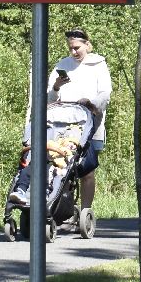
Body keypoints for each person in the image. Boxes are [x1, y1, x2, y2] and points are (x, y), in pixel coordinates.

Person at [27, 28, 112, 211]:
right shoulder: (62, 65)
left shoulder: (98, 64)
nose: (74, 52)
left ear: (87, 45)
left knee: (87, 171)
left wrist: (91, 104)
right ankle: (63, 208)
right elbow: (50, 99)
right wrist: (56, 87)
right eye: (71, 48)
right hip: (63, 125)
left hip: (90, 124)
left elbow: (105, 93)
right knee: (63, 167)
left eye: (77, 48)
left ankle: (85, 210)